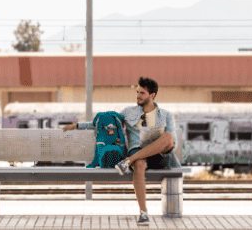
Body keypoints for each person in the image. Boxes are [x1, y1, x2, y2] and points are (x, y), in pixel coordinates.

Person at [62, 76, 178, 226]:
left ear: (152, 95)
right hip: (137, 153)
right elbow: (105, 122)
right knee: (140, 164)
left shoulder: (166, 115)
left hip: (160, 155)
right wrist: (77, 126)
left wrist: (137, 155)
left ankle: (128, 161)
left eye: (142, 93)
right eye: (137, 92)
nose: (138, 96)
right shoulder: (128, 112)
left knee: (168, 137)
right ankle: (143, 212)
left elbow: (171, 141)